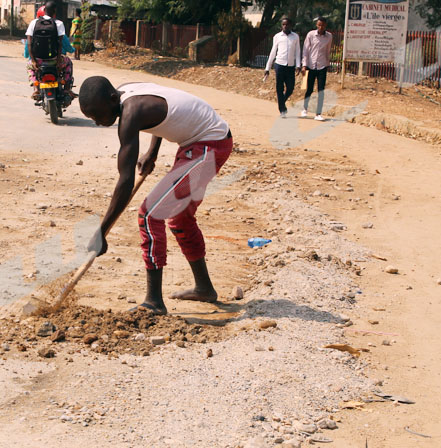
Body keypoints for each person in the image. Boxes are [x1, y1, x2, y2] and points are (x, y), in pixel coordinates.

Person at [79, 77, 233, 316]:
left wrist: (102, 231)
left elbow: (125, 180)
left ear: (112, 99)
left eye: (98, 115)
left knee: (150, 213)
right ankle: (204, 288)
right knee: (180, 219)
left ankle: (154, 301)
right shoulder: (128, 92)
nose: (98, 122)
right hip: (198, 143)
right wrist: (152, 152)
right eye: (92, 118)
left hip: (209, 146)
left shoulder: (131, 112)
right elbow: (161, 108)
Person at [25, 1, 70, 99]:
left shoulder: (33, 23)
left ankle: (36, 89)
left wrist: (33, 60)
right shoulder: (59, 23)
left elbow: (29, 43)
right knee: (68, 63)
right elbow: (60, 44)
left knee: (29, 66)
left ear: (44, 10)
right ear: (55, 11)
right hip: (54, 60)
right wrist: (58, 60)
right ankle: (67, 89)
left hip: (38, 60)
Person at [264, 17, 301, 118]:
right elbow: (273, 52)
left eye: (287, 24)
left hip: (290, 66)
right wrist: (267, 68)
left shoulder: (295, 37)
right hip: (279, 65)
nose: (285, 26)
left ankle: (281, 102)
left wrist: (298, 65)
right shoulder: (277, 36)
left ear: (291, 25)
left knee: (290, 87)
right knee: (279, 88)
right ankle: (282, 110)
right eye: (283, 24)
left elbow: (297, 52)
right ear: (281, 26)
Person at [301, 16, 332, 121]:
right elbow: (305, 50)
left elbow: (327, 51)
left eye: (322, 25)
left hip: (322, 65)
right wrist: (304, 65)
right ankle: (305, 108)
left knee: (321, 90)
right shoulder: (310, 35)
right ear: (316, 25)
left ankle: (318, 113)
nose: (321, 27)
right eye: (319, 25)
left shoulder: (329, 37)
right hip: (311, 65)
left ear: (325, 25)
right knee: (309, 89)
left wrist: (327, 64)